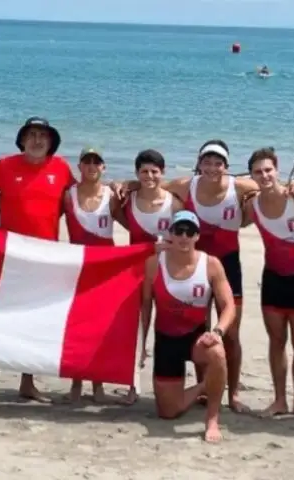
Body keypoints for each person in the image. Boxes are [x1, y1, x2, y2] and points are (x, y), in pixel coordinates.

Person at [0, 116, 122, 407]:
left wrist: (122, 184)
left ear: (51, 142)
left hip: (46, 256)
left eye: (42, 136)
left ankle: (27, 383)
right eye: (31, 135)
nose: (36, 140)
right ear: (22, 140)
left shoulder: (60, 169)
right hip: (10, 255)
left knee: (34, 321)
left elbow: (85, 190)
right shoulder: (4, 166)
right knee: (1, 321)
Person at [156, 140, 259, 412]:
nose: (213, 168)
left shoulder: (240, 187)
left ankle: (233, 394)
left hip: (228, 265)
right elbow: (153, 187)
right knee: (199, 331)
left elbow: (272, 187)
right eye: (207, 162)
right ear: (199, 163)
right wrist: (127, 185)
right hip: (196, 268)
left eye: (219, 163)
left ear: (227, 167)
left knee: (231, 334)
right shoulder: (184, 185)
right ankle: (205, 387)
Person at [142, 210, 235, 443]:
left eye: (190, 231)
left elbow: (229, 306)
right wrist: (141, 345)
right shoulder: (154, 264)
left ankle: (212, 418)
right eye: (179, 231)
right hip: (165, 339)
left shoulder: (211, 264)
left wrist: (217, 332)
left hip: (196, 338)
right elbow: (145, 308)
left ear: (197, 236)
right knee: (167, 413)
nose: (184, 236)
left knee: (217, 352)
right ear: (170, 234)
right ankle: (206, 386)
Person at [242, 147, 294, 419]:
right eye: (257, 171)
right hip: (273, 279)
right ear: (251, 175)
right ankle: (279, 400)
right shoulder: (252, 206)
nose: (264, 175)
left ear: (276, 169)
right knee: (276, 342)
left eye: (268, 170)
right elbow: (226, 218)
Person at [114, 148, 183, 404]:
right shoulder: (127, 200)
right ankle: (133, 385)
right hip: (136, 274)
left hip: (167, 275)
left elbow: (184, 240)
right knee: (138, 331)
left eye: (154, 171)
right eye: (144, 171)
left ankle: (167, 385)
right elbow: (123, 221)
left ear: (162, 173)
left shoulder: (174, 203)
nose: (149, 176)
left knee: (166, 330)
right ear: (137, 173)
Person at [62, 147, 125, 404]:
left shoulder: (112, 196)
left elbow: (134, 223)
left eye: (96, 163)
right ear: (79, 167)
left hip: (104, 270)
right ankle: (76, 381)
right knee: (77, 327)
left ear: (103, 167)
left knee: (100, 328)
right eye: (86, 162)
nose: (91, 167)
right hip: (77, 267)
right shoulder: (68, 195)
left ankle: (98, 383)